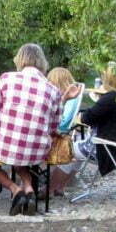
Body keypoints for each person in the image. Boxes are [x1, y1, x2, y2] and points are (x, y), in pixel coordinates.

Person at [0, 44, 63, 216]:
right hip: (38, 149)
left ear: (19, 59)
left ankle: (15, 189)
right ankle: (28, 188)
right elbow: (54, 125)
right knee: (22, 156)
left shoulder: (6, 79)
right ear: (42, 62)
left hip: (8, 145)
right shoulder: (53, 90)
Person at [46, 67, 84, 196]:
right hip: (61, 131)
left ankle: (50, 187)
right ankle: (60, 187)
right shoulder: (70, 98)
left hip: (58, 132)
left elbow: (63, 122)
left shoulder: (70, 99)